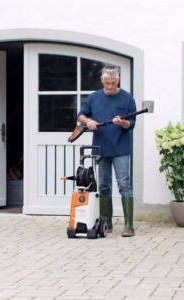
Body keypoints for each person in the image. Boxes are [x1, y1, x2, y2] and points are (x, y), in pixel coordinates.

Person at [77, 64, 137, 237]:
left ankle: (128, 226)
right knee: (103, 186)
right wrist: (88, 121)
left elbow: (131, 123)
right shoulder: (94, 97)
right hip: (100, 149)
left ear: (118, 80)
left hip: (121, 149)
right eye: (107, 83)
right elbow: (81, 115)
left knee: (124, 185)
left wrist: (122, 122)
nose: (110, 86)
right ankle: (107, 223)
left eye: (113, 83)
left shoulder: (127, 98)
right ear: (102, 80)